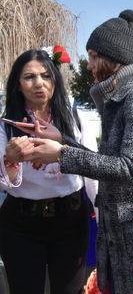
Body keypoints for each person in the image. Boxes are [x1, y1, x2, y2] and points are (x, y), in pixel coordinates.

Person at [22, 10, 133, 294]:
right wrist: (61, 139)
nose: (88, 65)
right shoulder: (118, 98)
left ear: (111, 60)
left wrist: (62, 154)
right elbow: (107, 161)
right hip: (119, 237)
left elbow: (130, 169)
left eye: (92, 56)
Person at [0, 49, 90, 293]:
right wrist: (10, 160)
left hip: (71, 221)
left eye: (45, 76)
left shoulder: (72, 116)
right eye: (29, 77)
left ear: (55, 80)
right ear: (18, 85)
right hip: (21, 226)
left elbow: (90, 167)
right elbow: (4, 184)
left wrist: (101, 214)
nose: (39, 83)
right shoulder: (6, 124)